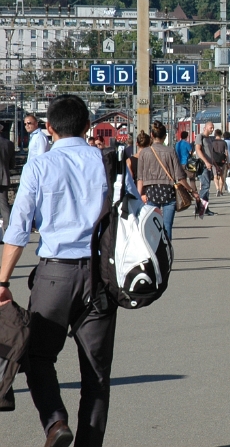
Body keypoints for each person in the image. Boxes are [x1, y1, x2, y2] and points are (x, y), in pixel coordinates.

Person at [0, 95, 114, 447]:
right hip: (99, 277)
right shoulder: (107, 161)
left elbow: (17, 230)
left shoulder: (40, 165)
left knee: (37, 357)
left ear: (49, 129)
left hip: (55, 275)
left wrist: (2, 280)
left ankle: (55, 423)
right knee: (96, 374)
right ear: (86, 128)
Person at [137, 121, 187, 241]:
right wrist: (191, 190)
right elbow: (179, 176)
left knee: (150, 226)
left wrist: (139, 196)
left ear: (152, 135)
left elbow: (140, 178)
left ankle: (152, 252)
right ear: (165, 136)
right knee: (167, 226)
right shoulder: (170, 151)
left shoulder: (144, 153)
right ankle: (166, 253)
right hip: (168, 191)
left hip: (151, 192)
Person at [195, 122, 217, 215]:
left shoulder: (209, 139)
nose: (212, 129)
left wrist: (215, 165)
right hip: (203, 166)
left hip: (209, 166)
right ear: (205, 128)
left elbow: (210, 154)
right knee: (205, 186)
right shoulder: (200, 137)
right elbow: (198, 150)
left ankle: (204, 208)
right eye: (211, 128)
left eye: (213, 128)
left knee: (206, 187)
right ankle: (200, 208)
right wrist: (206, 162)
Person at [0, 123, 12, 239]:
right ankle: (8, 232)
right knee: (4, 206)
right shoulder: (9, 144)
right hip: (4, 177)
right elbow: (12, 164)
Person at [211, 130, 228, 196]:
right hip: (222, 160)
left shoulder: (212, 142)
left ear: (215, 134)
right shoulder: (224, 142)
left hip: (214, 160)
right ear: (221, 135)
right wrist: (227, 161)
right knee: (221, 175)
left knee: (215, 176)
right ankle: (220, 190)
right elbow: (226, 153)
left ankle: (217, 189)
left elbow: (211, 153)